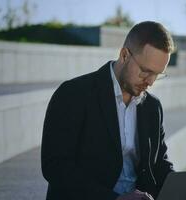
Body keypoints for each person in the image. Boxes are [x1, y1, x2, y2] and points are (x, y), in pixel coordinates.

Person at [41, 21, 175, 200]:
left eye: (157, 75)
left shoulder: (153, 107)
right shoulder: (74, 94)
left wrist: (185, 190)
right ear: (125, 55)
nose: (150, 82)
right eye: (145, 71)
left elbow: (159, 164)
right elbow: (56, 167)